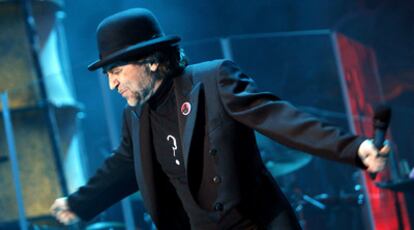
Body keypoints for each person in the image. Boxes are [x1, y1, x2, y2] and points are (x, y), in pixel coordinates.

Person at [50, 8, 390, 229]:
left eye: (117, 71)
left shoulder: (213, 81)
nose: (112, 84)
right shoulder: (135, 118)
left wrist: (354, 148)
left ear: (151, 60)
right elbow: (120, 168)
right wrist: (78, 204)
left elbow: (279, 118)